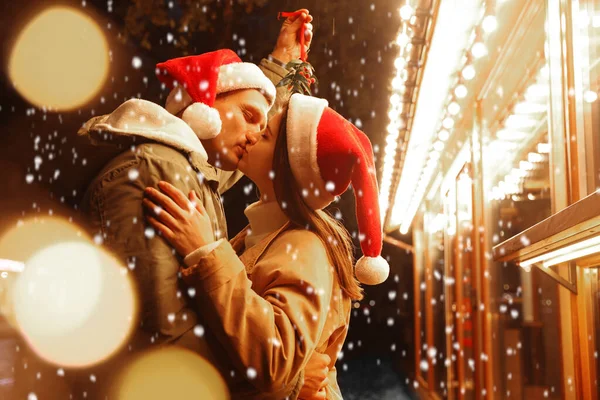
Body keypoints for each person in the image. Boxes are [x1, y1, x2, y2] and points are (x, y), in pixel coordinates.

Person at [72, 10, 330, 400]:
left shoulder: (184, 168)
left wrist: (283, 64)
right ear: (204, 106)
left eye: (264, 130)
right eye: (248, 117)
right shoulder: (159, 170)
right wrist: (290, 384)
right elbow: (165, 340)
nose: (255, 136)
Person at [143, 93, 390, 399]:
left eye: (266, 134)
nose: (251, 135)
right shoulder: (262, 234)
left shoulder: (305, 246)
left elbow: (274, 361)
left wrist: (205, 250)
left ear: (288, 163)